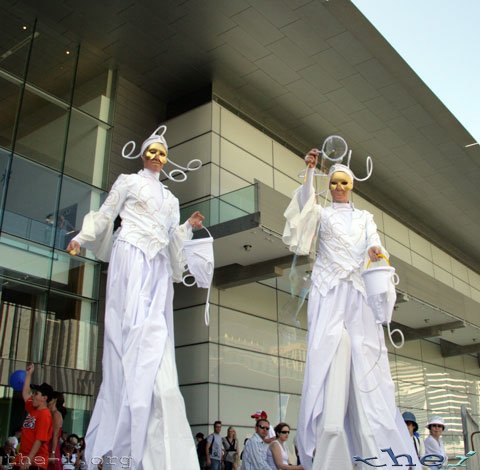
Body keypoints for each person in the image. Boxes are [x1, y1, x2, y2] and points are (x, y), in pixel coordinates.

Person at [66, 125, 204, 470]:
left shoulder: (172, 200)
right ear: (143, 154)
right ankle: (120, 441)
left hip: (156, 266)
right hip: (130, 256)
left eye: (162, 152)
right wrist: (81, 239)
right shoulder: (128, 181)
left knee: (154, 338)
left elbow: (173, 240)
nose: (157, 157)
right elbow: (105, 214)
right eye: (152, 151)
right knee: (125, 334)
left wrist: (188, 228)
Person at [282, 149, 419, 469]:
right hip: (328, 289)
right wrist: (308, 173)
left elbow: (376, 244)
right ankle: (325, 437)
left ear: (352, 185)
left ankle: (374, 445)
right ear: (328, 186)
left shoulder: (365, 218)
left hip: (357, 291)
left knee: (367, 357)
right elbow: (304, 213)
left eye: (344, 182)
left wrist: (376, 252)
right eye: (334, 183)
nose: (339, 187)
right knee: (324, 354)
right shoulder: (323, 214)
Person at [13, 364, 53, 470]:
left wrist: (29, 460)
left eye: (36, 394)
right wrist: (28, 374)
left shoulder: (45, 414)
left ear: (44, 398)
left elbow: (39, 439)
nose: (33, 396)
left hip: (35, 463)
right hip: (22, 459)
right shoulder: (33, 408)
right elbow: (25, 393)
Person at [48, 392, 66, 470]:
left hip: (52, 448)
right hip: (47, 446)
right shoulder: (49, 413)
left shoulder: (56, 414)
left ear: (54, 400)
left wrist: (53, 453)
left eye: (50, 398)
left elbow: (55, 435)